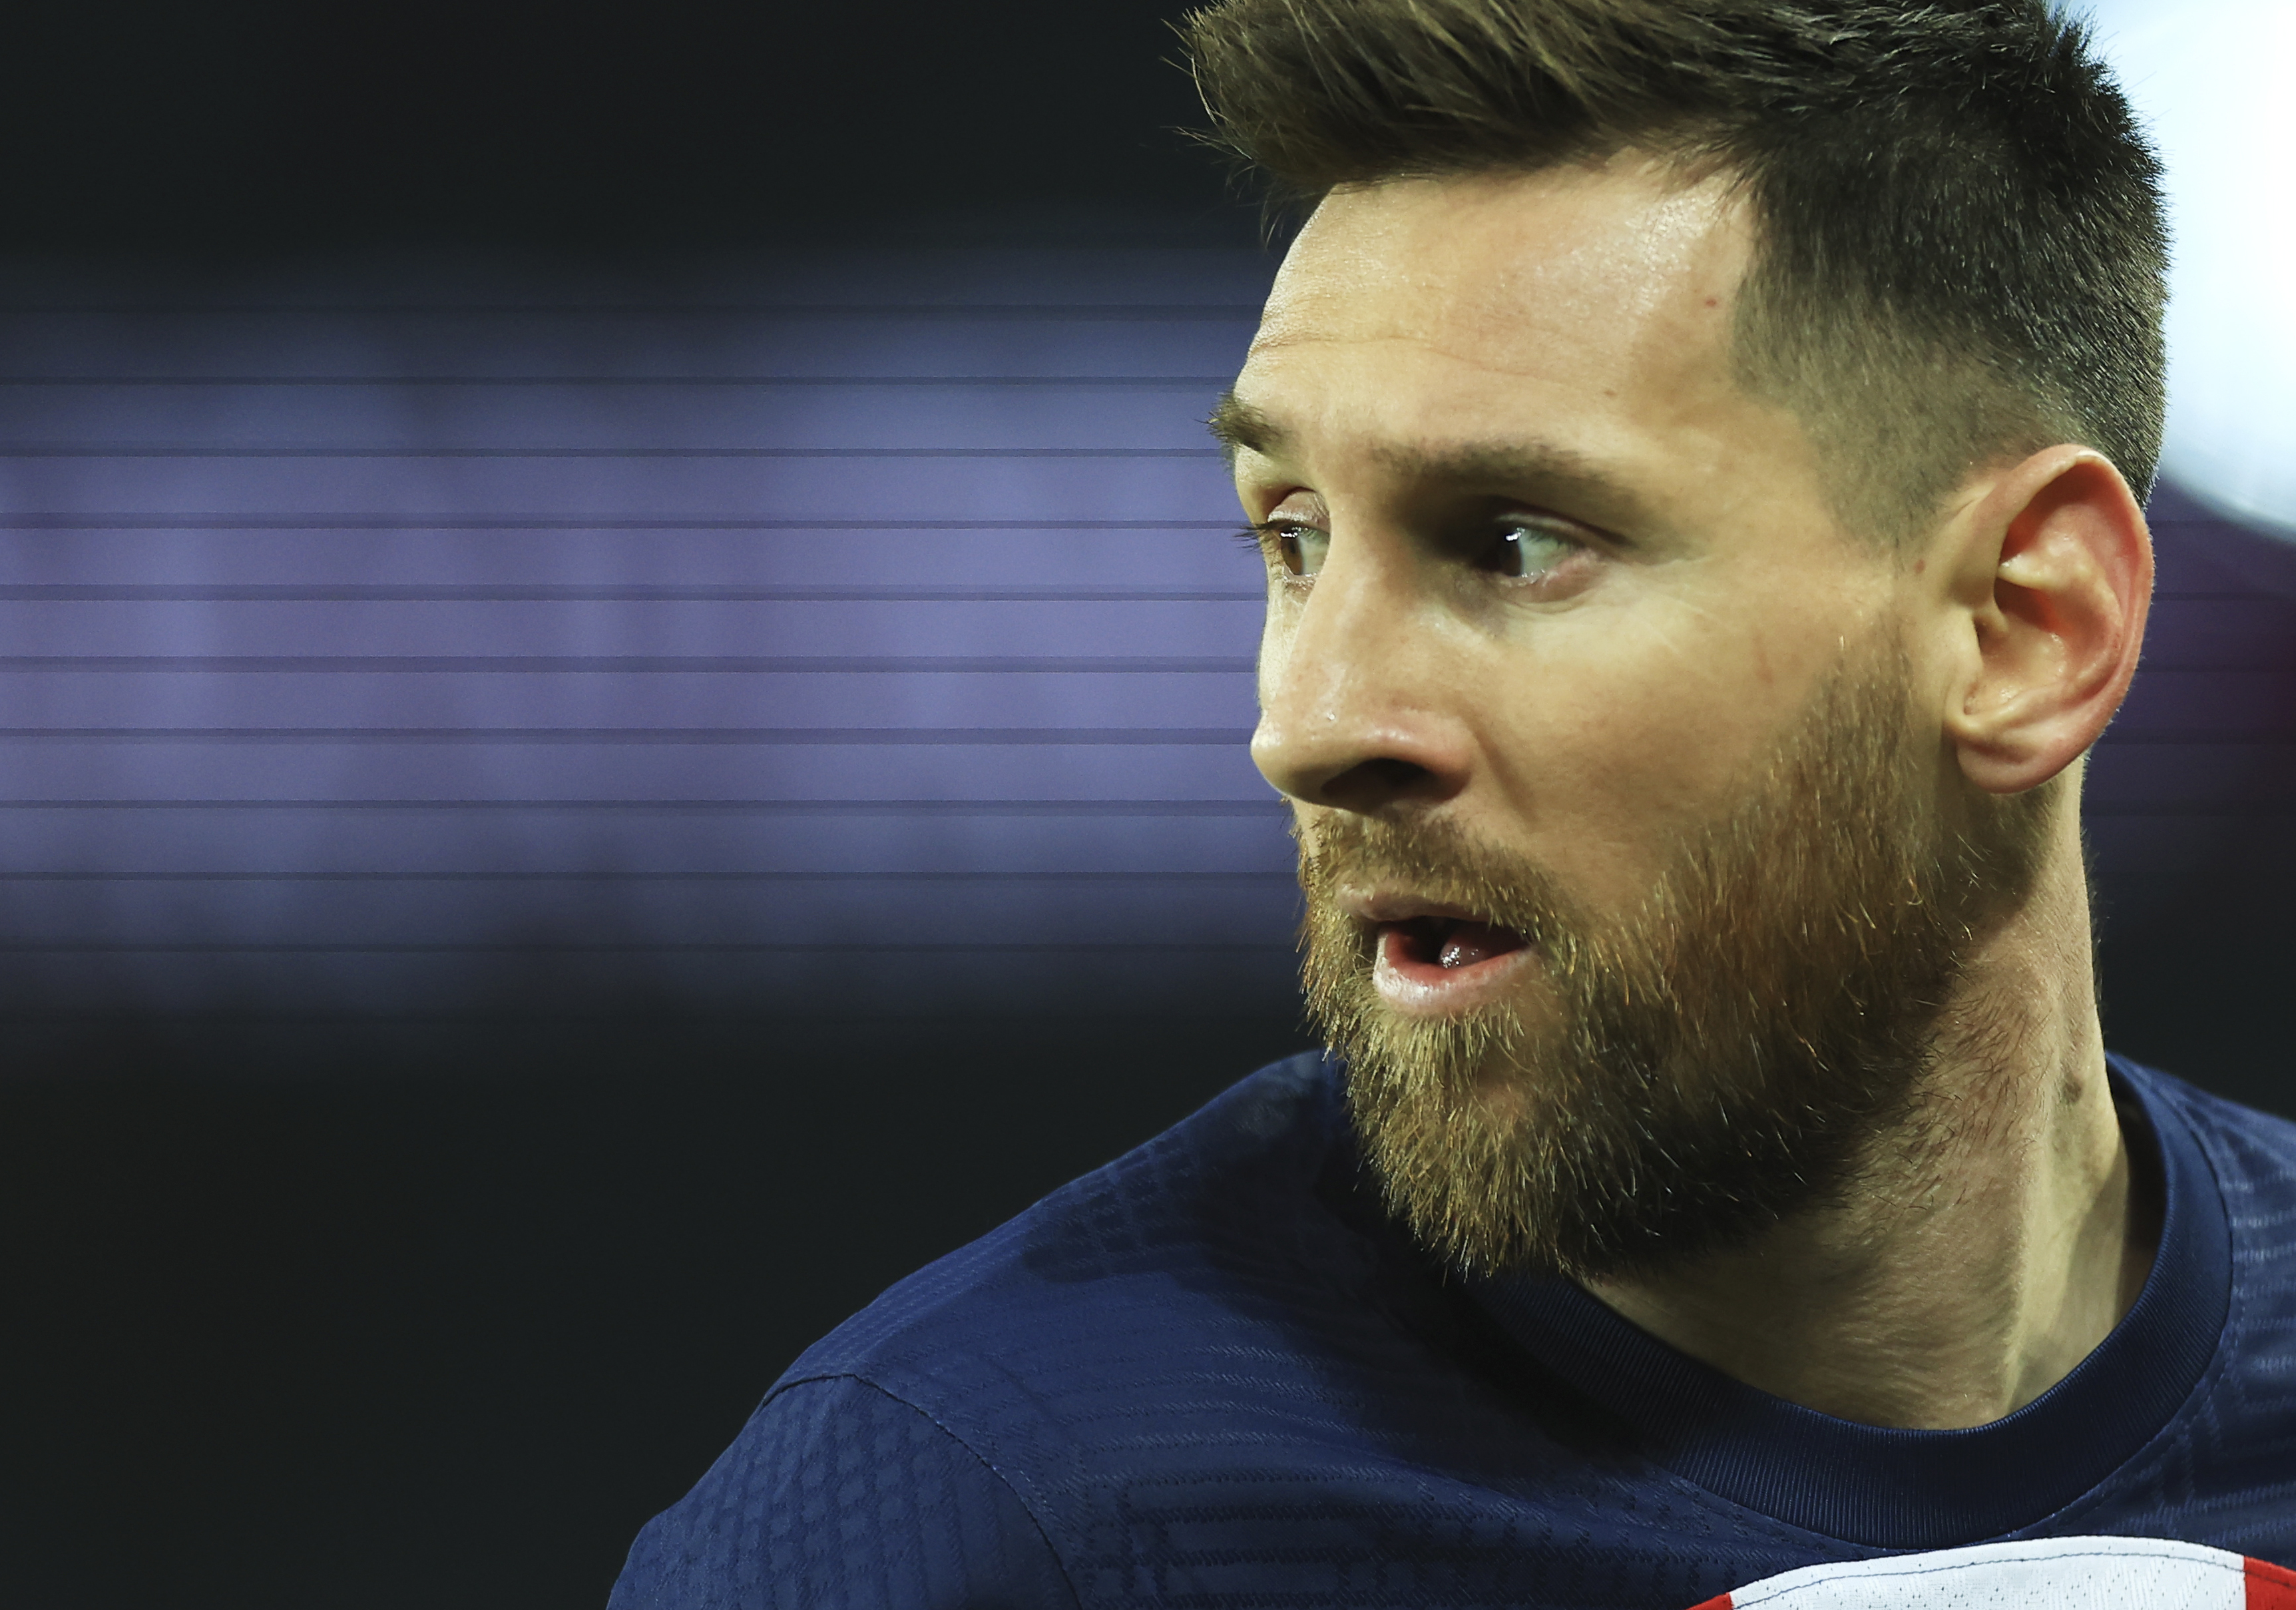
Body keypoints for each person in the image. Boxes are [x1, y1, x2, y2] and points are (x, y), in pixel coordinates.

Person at [607, 2, 2296, 1603]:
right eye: (1291, 535)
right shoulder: (989, 1525)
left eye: (1512, 542)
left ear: (2022, 630)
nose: (1310, 722)